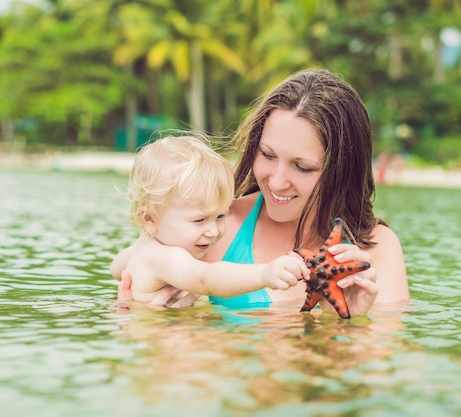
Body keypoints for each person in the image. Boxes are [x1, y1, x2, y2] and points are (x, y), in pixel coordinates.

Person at [113, 69, 409, 315]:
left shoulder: (377, 250)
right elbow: (130, 270)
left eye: (302, 167)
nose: (277, 182)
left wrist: (350, 321)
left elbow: (379, 375)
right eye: (267, 155)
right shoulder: (214, 228)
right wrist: (137, 312)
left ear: (342, 171)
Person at [113, 134, 310, 306]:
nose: (214, 231)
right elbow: (206, 279)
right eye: (199, 220)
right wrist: (264, 274)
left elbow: (116, 269)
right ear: (150, 219)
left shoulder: (145, 245)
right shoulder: (166, 257)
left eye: (220, 216)